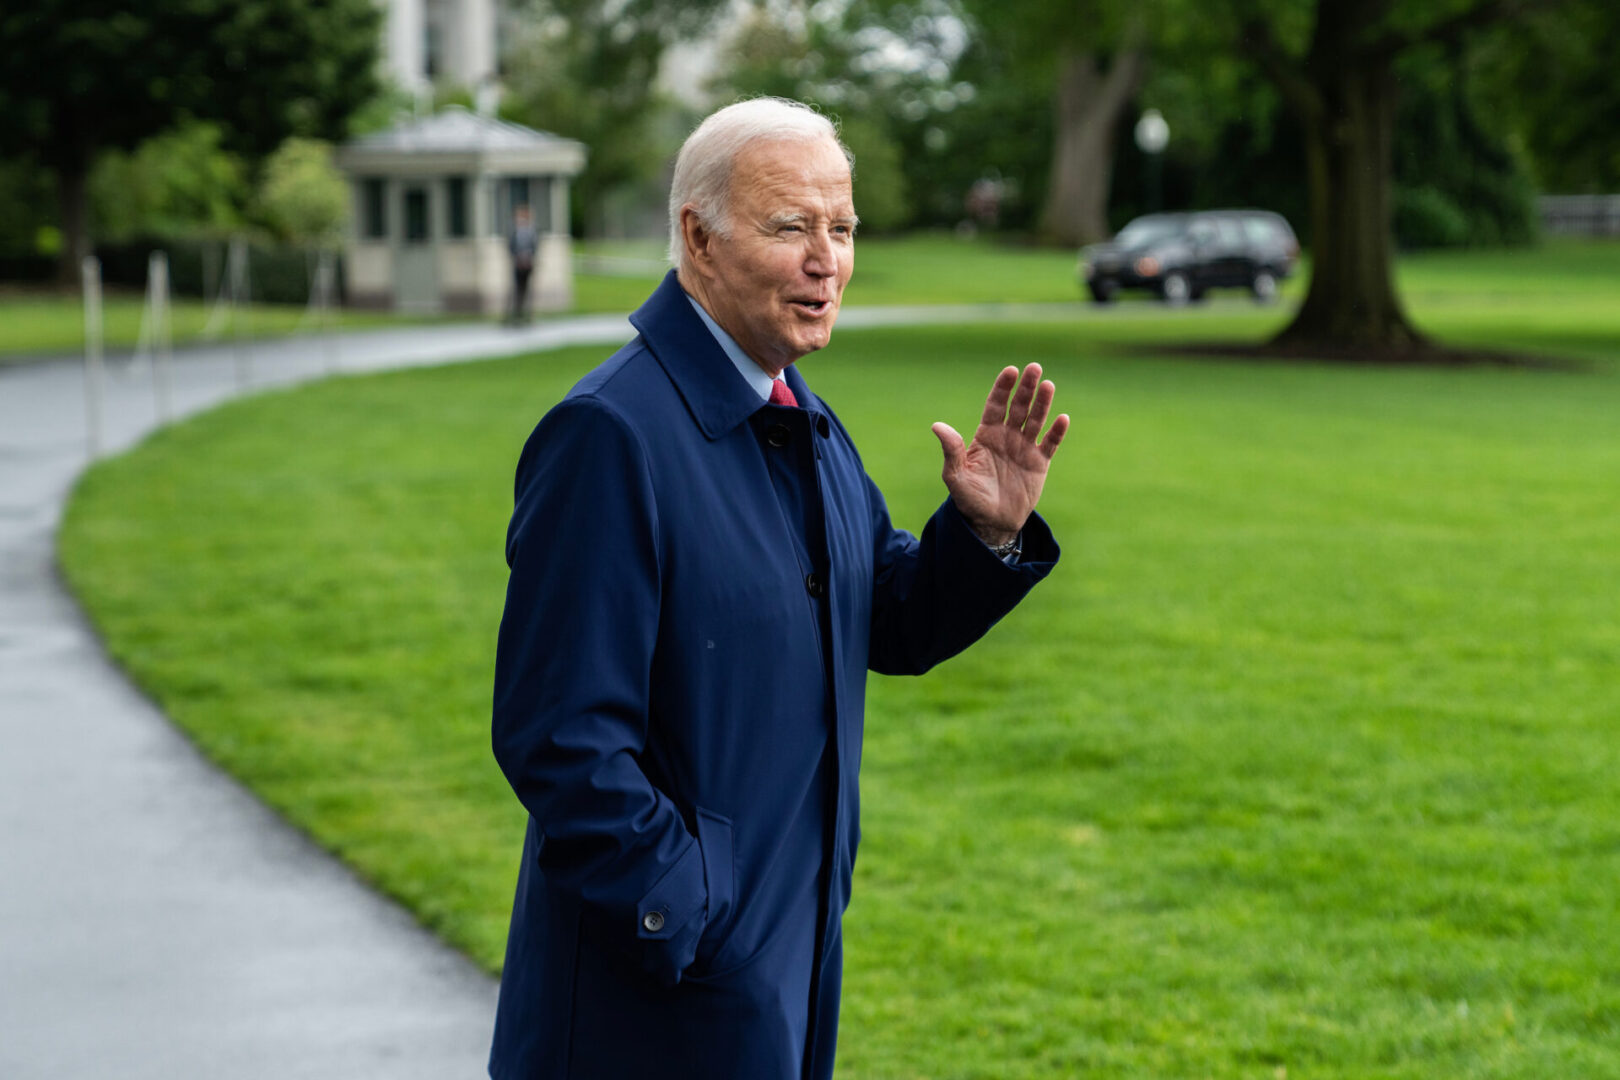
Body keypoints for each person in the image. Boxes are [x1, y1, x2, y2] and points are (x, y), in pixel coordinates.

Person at [488, 97, 1069, 1080]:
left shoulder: (797, 411)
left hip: (780, 968)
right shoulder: (610, 436)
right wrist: (691, 909)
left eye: (841, 229)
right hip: (653, 1004)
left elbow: (883, 616)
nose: (826, 260)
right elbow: (560, 736)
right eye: (791, 226)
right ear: (697, 237)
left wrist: (985, 530)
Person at [507, 204, 538, 324]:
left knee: (528, 289)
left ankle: (529, 314)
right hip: (518, 264)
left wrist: (529, 258)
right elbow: (511, 247)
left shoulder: (531, 231)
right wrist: (517, 258)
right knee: (517, 289)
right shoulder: (514, 231)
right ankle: (516, 314)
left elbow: (535, 246)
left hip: (528, 264)